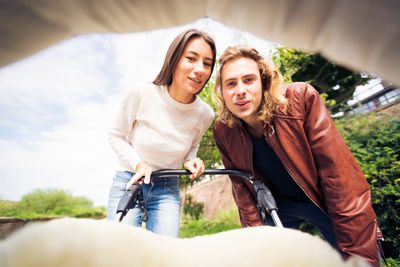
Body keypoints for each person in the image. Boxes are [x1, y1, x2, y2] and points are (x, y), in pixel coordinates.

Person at [212, 46, 382, 266]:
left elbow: (339, 178)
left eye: (249, 80)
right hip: (278, 206)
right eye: (231, 83)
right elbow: (242, 189)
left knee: (356, 258)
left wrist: (360, 254)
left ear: (263, 83)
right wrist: (256, 245)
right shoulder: (224, 130)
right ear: (222, 92)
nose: (240, 90)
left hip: (322, 199)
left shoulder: (301, 99)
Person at [106, 29, 216, 237]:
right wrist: (139, 164)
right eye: (191, 58)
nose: (199, 69)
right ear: (174, 60)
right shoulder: (141, 93)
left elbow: (192, 147)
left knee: (166, 254)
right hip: (129, 182)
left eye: (207, 63)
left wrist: (191, 161)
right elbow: (115, 135)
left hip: (166, 188)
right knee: (121, 251)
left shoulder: (205, 114)